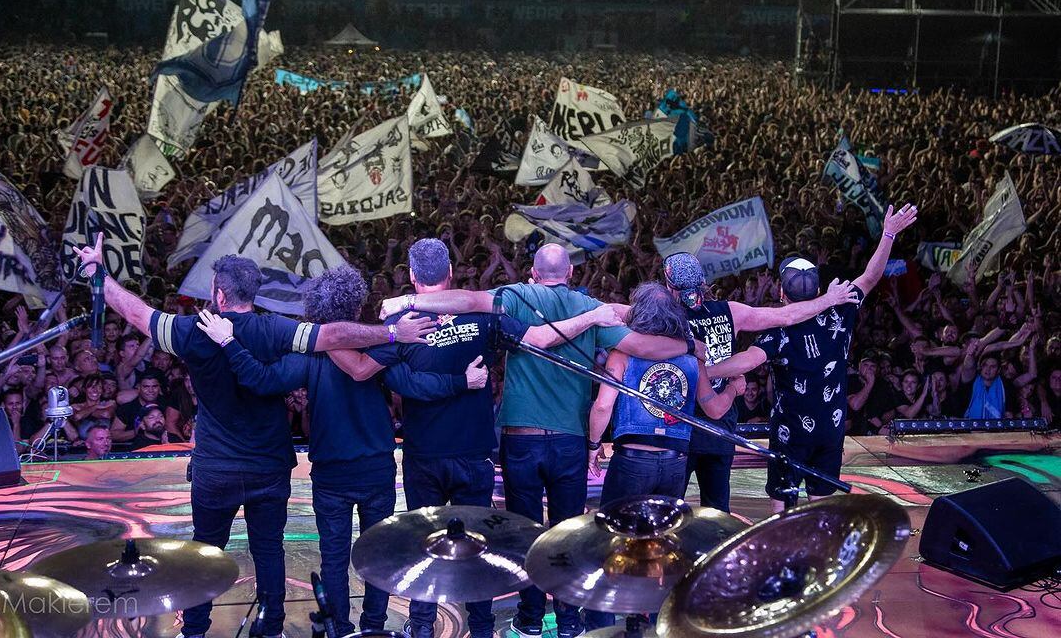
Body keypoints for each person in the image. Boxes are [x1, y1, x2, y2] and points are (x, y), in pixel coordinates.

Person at [73, 234, 435, 638]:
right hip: (269, 466)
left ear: (219, 295)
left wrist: (98, 274)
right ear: (252, 291)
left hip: (216, 468)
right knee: (270, 550)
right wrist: (390, 334)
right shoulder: (276, 330)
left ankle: (194, 630)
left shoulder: (191, 331)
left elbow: (138, 314)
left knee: (204, 551)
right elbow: (332, 338)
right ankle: (276, 629)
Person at [379, 243, 702, 638]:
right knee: (564, 535)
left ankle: (520, 620)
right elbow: (643, 347)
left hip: (510, 439)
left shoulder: (513, 297)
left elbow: (463, 307)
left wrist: (405, 301)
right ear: (570, 274)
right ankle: (563, 624)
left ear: (533, 272)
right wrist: (689, 348)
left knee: (517, 536)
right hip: (563, 439)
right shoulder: (589, 308)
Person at [332, 238, 623, 638]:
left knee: (422, 545)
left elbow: (368, 371)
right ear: (451, 273)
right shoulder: (485, 320)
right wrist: (591, 315)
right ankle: (485, 630)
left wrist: (321, 328)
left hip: (425, 456)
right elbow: (540, 339)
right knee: (480, 551)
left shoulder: (400, 327)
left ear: (413, 277)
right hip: (473, 455)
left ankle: (421, 628)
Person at [194, 263, 479, 636]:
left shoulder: (310, 356)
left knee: (333, 560)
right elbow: (415, 386)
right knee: (378, 554)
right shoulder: (385, 343)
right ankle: (373, 625)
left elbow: (260, 380)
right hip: (377, 467)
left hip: (330, 473)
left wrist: (230, 344)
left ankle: (339, 629)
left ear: (315, 310)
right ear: (358, 306)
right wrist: (463, 380)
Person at [709, 204, 918, 512]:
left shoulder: (780, 329)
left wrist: (705, 370)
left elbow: (747, 362)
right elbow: (871, 277)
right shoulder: (841, 308)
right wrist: (888, 233)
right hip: (830, 429)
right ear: (820, 288)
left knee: (782, 513)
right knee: (819, 510)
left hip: (790, 433)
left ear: (782, 293)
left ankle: (785, 557)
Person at [585, 283, 737, 631]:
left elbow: (604, 405)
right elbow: (713, 410)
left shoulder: (622, 354)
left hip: (632, 460)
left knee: (609, 540)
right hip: (674, 463)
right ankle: (654, 620)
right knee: (658, 542)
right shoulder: (691, 358)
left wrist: (593, 446)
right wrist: (733, 388)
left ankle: (601, 621)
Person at [661, 252, 860, 512]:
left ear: (668, 285)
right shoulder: (730, 311)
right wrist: (829, 300)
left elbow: (757, 351)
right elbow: (786, 317)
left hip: (676, 425)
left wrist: (696, 372)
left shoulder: (659, 317)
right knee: (717, 510)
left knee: (667, 507)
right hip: (718, 424)